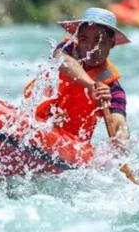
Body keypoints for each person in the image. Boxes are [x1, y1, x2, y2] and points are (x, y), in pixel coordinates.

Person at [25, 8, 131, 147]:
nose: (90, 48)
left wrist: (121, 140)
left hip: (68, 145)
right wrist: (91, 85)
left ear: (111, 43)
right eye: (84, 39)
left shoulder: (113, 89)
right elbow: (62, 61)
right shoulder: (65, 50)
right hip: (32, 123)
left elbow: (119, 123)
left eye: (98, 41)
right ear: (77, 39)